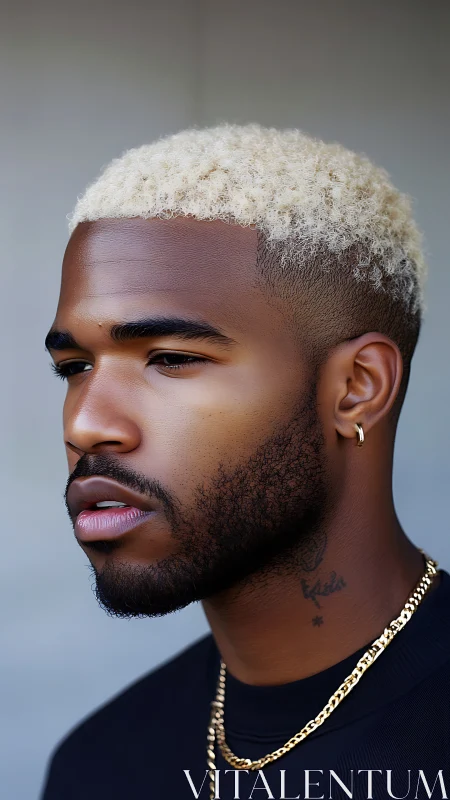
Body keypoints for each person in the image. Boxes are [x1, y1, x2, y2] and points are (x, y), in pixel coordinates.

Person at [41, 124, 450, 800]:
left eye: (170, 358)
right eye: (75, 367)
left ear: (357, 388)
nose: (87, 424)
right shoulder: (99, 766)